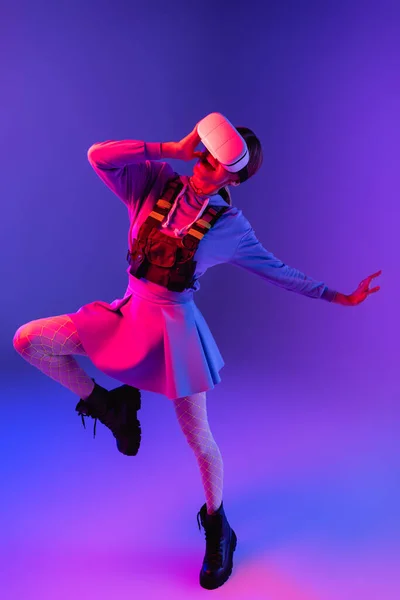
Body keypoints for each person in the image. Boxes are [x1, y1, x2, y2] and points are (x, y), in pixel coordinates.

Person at [12, 113, 382, 590]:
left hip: (173, 332)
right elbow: (98, 156)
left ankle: (218, 526)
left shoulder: (230, 227)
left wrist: (339, 295)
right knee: (29, 341)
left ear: (234, 177)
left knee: (199, 439)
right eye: (203, 154)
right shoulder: (154, 183)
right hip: (126, 314)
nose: (203, 164)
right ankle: (110, 405)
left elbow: (278, 270)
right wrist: (169, 148)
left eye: (215, 163)